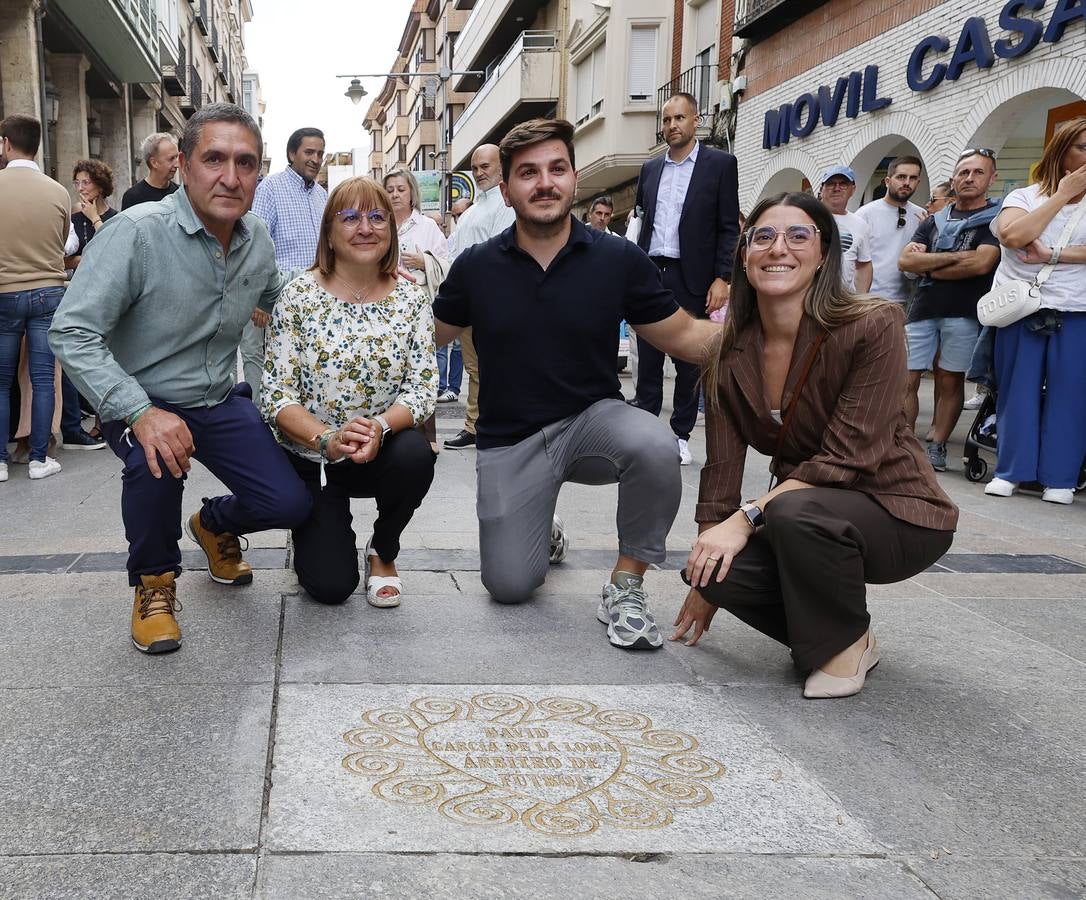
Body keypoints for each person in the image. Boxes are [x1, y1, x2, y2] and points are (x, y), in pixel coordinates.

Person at [433, 118, 719, 650]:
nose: (544, 182)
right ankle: (545, 526)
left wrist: (775, 334)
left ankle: (626, 584)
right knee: (510, 586)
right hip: (510, 439)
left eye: (556, 169)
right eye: (528, 173)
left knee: (655, 444)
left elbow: (683, 335)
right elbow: (427, 334)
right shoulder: (476, 265)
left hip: (592, 424)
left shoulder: (616, 258)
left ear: (573, 178)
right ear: (506, 188)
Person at [670, 191, 958, 698]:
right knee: (712, 569)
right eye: (763, 236)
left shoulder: (873, 323)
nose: (778, 247)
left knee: (791, 513)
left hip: (900, 512)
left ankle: (839, 646)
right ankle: (853, 630)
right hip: (807, 510)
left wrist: (747, 519)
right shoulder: (727, 350)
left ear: (824, 253)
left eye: (798, 235)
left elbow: (849, 456)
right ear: (744, 254)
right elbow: (721, 470)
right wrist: (707, 575)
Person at [49, 103, 311, 654]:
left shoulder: (256, 237)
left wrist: (361, 278)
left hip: (217, 397)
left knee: (290, 503)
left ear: (259, 174)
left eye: (245, 163)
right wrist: (139, 412)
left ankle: (214, 525)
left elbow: (282, 295)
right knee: (155, 460)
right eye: (214, 159)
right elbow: (72, 332)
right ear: (184, 167)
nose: (230, 176)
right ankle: (154, 583)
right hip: (142, 398)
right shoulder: (136, 234)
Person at [262, 177, 437, 606]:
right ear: (329, 233)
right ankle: (320, 528)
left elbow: (422, 388)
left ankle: (384, 550)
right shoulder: (299, 295)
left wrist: (378, 426)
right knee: (330, 586)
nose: (366, 227)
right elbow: (276, 394)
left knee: (416, 454)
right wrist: (327, 438)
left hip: (384, 452)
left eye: (377, 216)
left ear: (391, 231)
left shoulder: (411, 300)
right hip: (316, 456)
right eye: (351, 217)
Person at [631, 92, 741, 466]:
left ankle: (679, 433)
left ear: (696, 121)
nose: (671, 126)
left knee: (689, 361)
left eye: (679, 118)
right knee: (647, 357)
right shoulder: (650, 169)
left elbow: (728, 227)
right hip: (651, 271)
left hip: (692, 275)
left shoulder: (720, 165)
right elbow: (640, 221)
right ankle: (645, 431)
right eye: (666, 120)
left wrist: (722, 277)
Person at [984, 117, 1086, 505]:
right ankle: (1011, 471)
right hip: (1022, 306)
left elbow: (1042, 246)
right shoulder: (1024, 197)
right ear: (1062, 153)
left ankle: (1060, 477)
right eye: (1083, 148)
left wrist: (1054, 254)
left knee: (1072, 395)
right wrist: (1063, 195)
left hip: (1077, 308)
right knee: (1017, 390)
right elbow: (1013, 236)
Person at [899, 150, 1001, 472]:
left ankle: (937, 445)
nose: (969, 178)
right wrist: (959, 259)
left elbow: (984, 262)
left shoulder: (995, 219)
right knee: (906, 378)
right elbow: (906, 262)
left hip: (965, 312)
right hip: (923, 309)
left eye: (977, 172)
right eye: (963, 172)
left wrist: (930, 264)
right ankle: (901, 442)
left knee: (949, 380)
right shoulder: (933, 221)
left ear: (991, 178)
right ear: (954, 177)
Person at [0, 114, 71, 483]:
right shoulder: (58, 191)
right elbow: (63, 242)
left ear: (6, 144)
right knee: (44, 379)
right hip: (48, 292)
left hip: (4, 292)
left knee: (1, 380)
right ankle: (40, 459)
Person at [245, 127, 328, 405]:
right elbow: (255, 242)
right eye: (309, 152)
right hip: (276, 299)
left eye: (320, 153)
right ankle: (261, 428)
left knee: (308, 368)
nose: (316, 159)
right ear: (292, 153)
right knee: (268, 368)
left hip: (315, 300)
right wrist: (259, 298)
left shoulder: (322, 196)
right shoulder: (270, 187)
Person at [443, 143, 515, 450]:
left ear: (501, 166)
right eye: (475, 168)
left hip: (494, 301)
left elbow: (500, 252)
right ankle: (474, 425)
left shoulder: (506, 204)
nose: (479, 172)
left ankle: (497, 424)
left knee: (496, 367)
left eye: (485, 166)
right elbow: (452, 253)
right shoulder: (471, 212)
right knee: (475, 369)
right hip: (469, 305)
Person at [61, 158, 119, 450]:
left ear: (101, 185)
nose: (81, 188)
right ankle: (96, 421)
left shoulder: (114, 218)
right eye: (78, 182)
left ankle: (107, 422)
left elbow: (112, 253)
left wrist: (95, 219)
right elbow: (64, 258)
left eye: (87, 182)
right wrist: (82, 260)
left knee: (109, 357)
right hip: (80, 294)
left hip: (109, 296)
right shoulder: (72, 219)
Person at [855, 155, 927, 305]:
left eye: (912, 178)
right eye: (901, 177)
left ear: (918, 182)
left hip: (908, 301)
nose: (907, 183)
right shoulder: (865, 214)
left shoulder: (922, 216)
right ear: (887, 181)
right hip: (870, 300)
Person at [817, 165, 872, 293]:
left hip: (843, 301)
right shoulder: (809, 217)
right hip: (809, 296)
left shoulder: (860, 224)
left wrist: (860, 298)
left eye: (843, 184)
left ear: (853, 190)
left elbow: (864, 264)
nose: (837, 188)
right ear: (822, 189)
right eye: (831, 184)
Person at [120, 133, 180, 209]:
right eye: (171, 159)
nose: (177, 165)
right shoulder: (133, 197)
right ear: (154, 163)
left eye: (176, 157)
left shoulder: (181, 193)